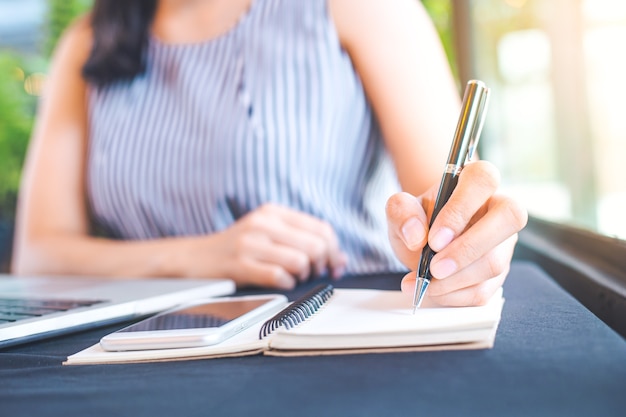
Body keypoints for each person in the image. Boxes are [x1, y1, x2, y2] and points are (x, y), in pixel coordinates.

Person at [12, 0, 527, 307]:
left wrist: (460, 244)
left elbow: (450, 209)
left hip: (333, 332)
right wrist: (200, 256)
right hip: (148, 352)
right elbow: (37, 258)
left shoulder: (358, 8)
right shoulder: (87, 44)